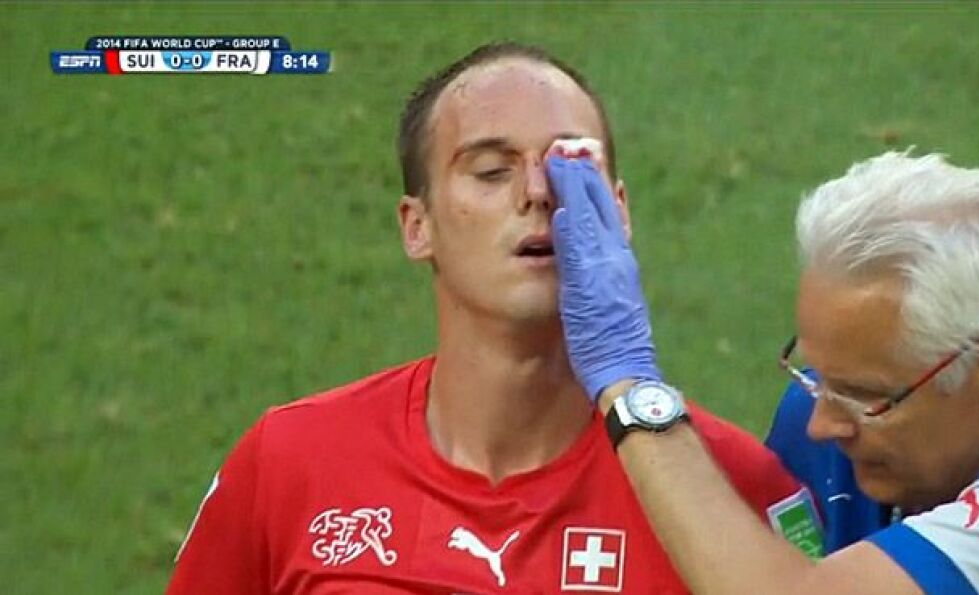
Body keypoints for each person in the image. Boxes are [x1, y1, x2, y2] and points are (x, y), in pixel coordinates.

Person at [166, 42, 810, 594]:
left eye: (570, 168)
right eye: (492, 171)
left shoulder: (732, 490)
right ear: (417, 226)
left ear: (618, 212)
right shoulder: (290, 464)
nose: (538, 192)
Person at [546, 150, 979, 594]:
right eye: (817, 375)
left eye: (862, 394)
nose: (820, 425)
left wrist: (631, 388)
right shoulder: (818, 420)